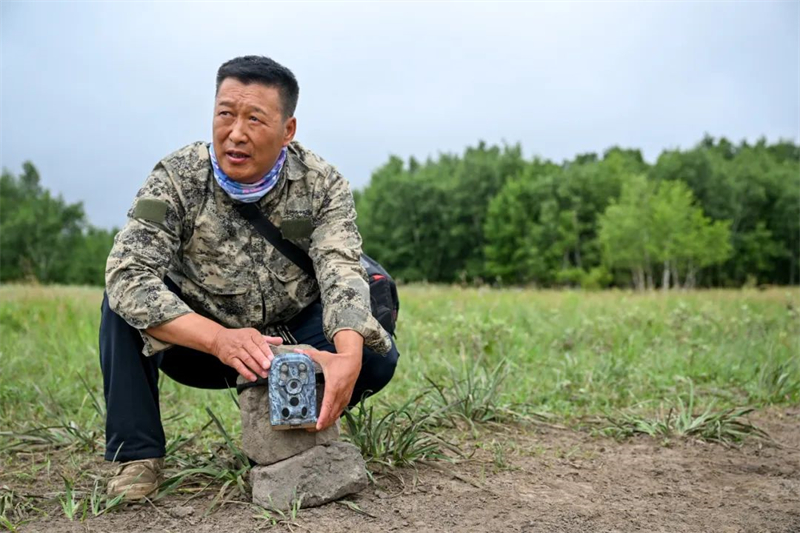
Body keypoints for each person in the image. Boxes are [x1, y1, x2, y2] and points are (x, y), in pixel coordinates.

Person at [99, 55, 399, 500]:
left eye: (254, 119)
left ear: (287, 130)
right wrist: (219, 339)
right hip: (204, 345)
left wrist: (348, 358)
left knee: (374, 349)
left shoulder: (322, 183)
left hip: (294, 333)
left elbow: (340, 268)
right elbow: (128, 273)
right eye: (225, 114)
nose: (235, 133)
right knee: (120, 305)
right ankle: (136, 456)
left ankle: (298, 427)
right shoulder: (176, 178)